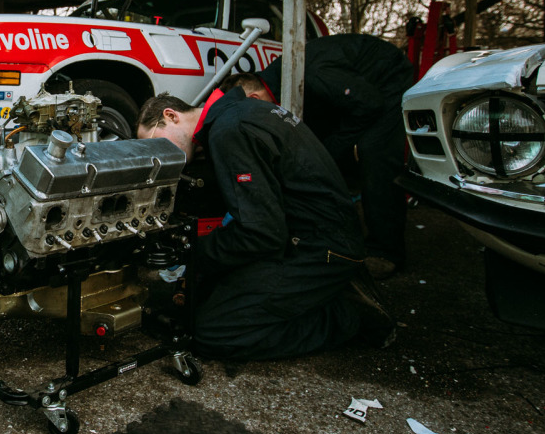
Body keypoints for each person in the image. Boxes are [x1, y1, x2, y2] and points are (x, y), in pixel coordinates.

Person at [137, 89, 395, 360]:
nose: (158, 157)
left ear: (171, 115)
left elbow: (261, 234)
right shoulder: (242, 112)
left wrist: (192, 251)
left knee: (212, 331)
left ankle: (346, 315)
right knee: (201, 299)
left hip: (318, 249)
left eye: (155, 143)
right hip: (313, 234)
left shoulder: (230, 131)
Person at [226, 34, 414, 279]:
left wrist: (332, 150)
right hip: (349, 88)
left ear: (254, 98)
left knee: (374, 152)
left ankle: (387, 252)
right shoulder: (279, 81)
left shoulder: (313, 75)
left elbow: (370, 103)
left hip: (384, 78)